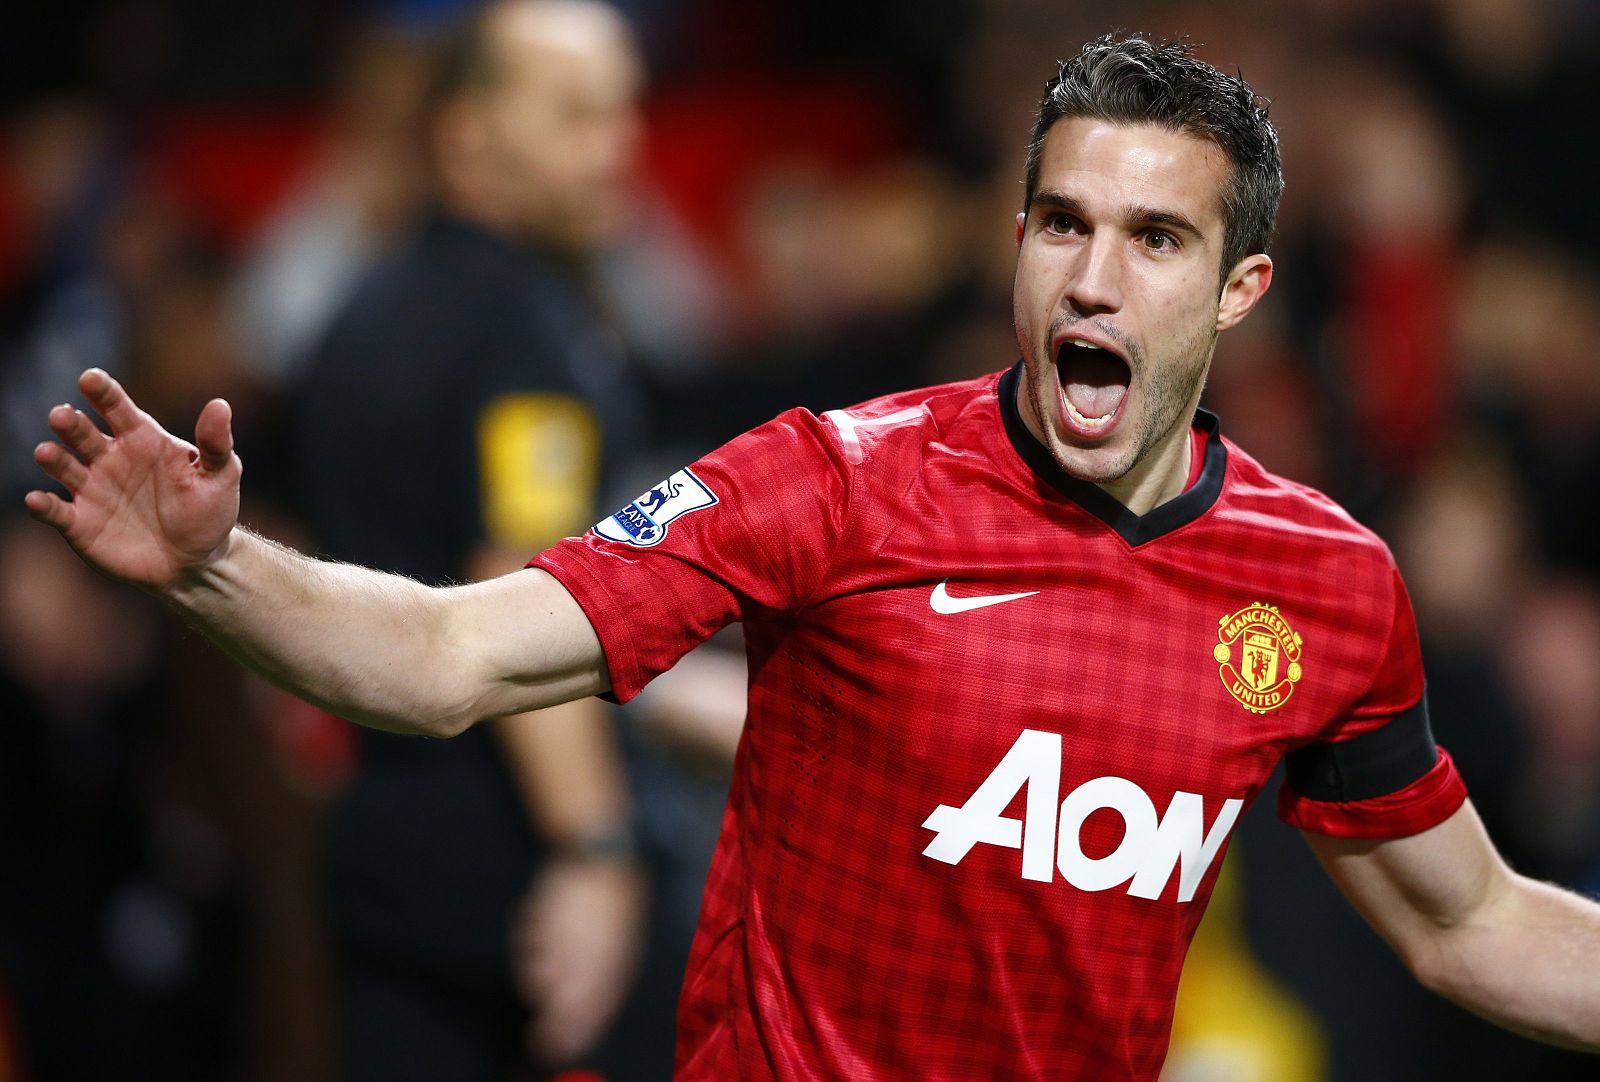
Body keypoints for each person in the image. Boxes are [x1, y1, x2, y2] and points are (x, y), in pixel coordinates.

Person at [24, 33, 1600, 1082]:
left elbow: (1469, 922)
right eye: (1062, 223)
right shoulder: (834, 482)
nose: (1093, 280)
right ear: (1016, 239)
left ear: (1242, 287)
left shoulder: (1321, 588)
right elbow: (449, 656)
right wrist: (220, 568)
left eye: (1156, 239)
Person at [282, 2, 651, 1078]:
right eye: (575, 114)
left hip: (381, 843)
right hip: (514, 874)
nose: (617, 144)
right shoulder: (521, 331)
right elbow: (528, 590)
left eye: (623, 110)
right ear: (468, 134)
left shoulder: (362, 305)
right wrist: (596, 848)